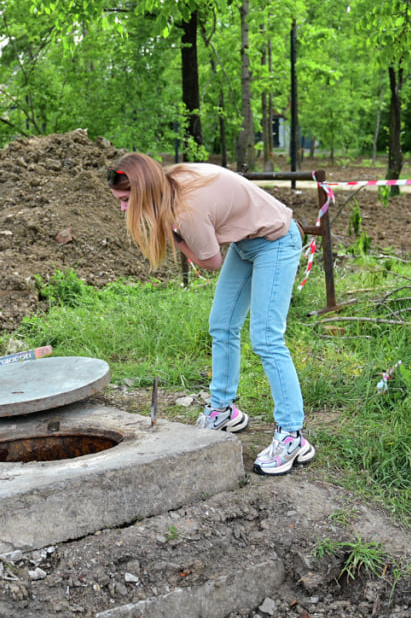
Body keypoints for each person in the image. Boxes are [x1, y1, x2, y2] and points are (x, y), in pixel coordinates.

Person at [107, 153, 315, 476]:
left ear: (144, 191)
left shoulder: (186, 210)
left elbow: (212, 262)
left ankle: (292, 436)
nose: (122, 208)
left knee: (266, 338)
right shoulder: (172, 180)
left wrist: (178, 240)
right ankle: (223, 410)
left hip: (276, 240)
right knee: (222, 324)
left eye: (124, 200)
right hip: (247, 244)